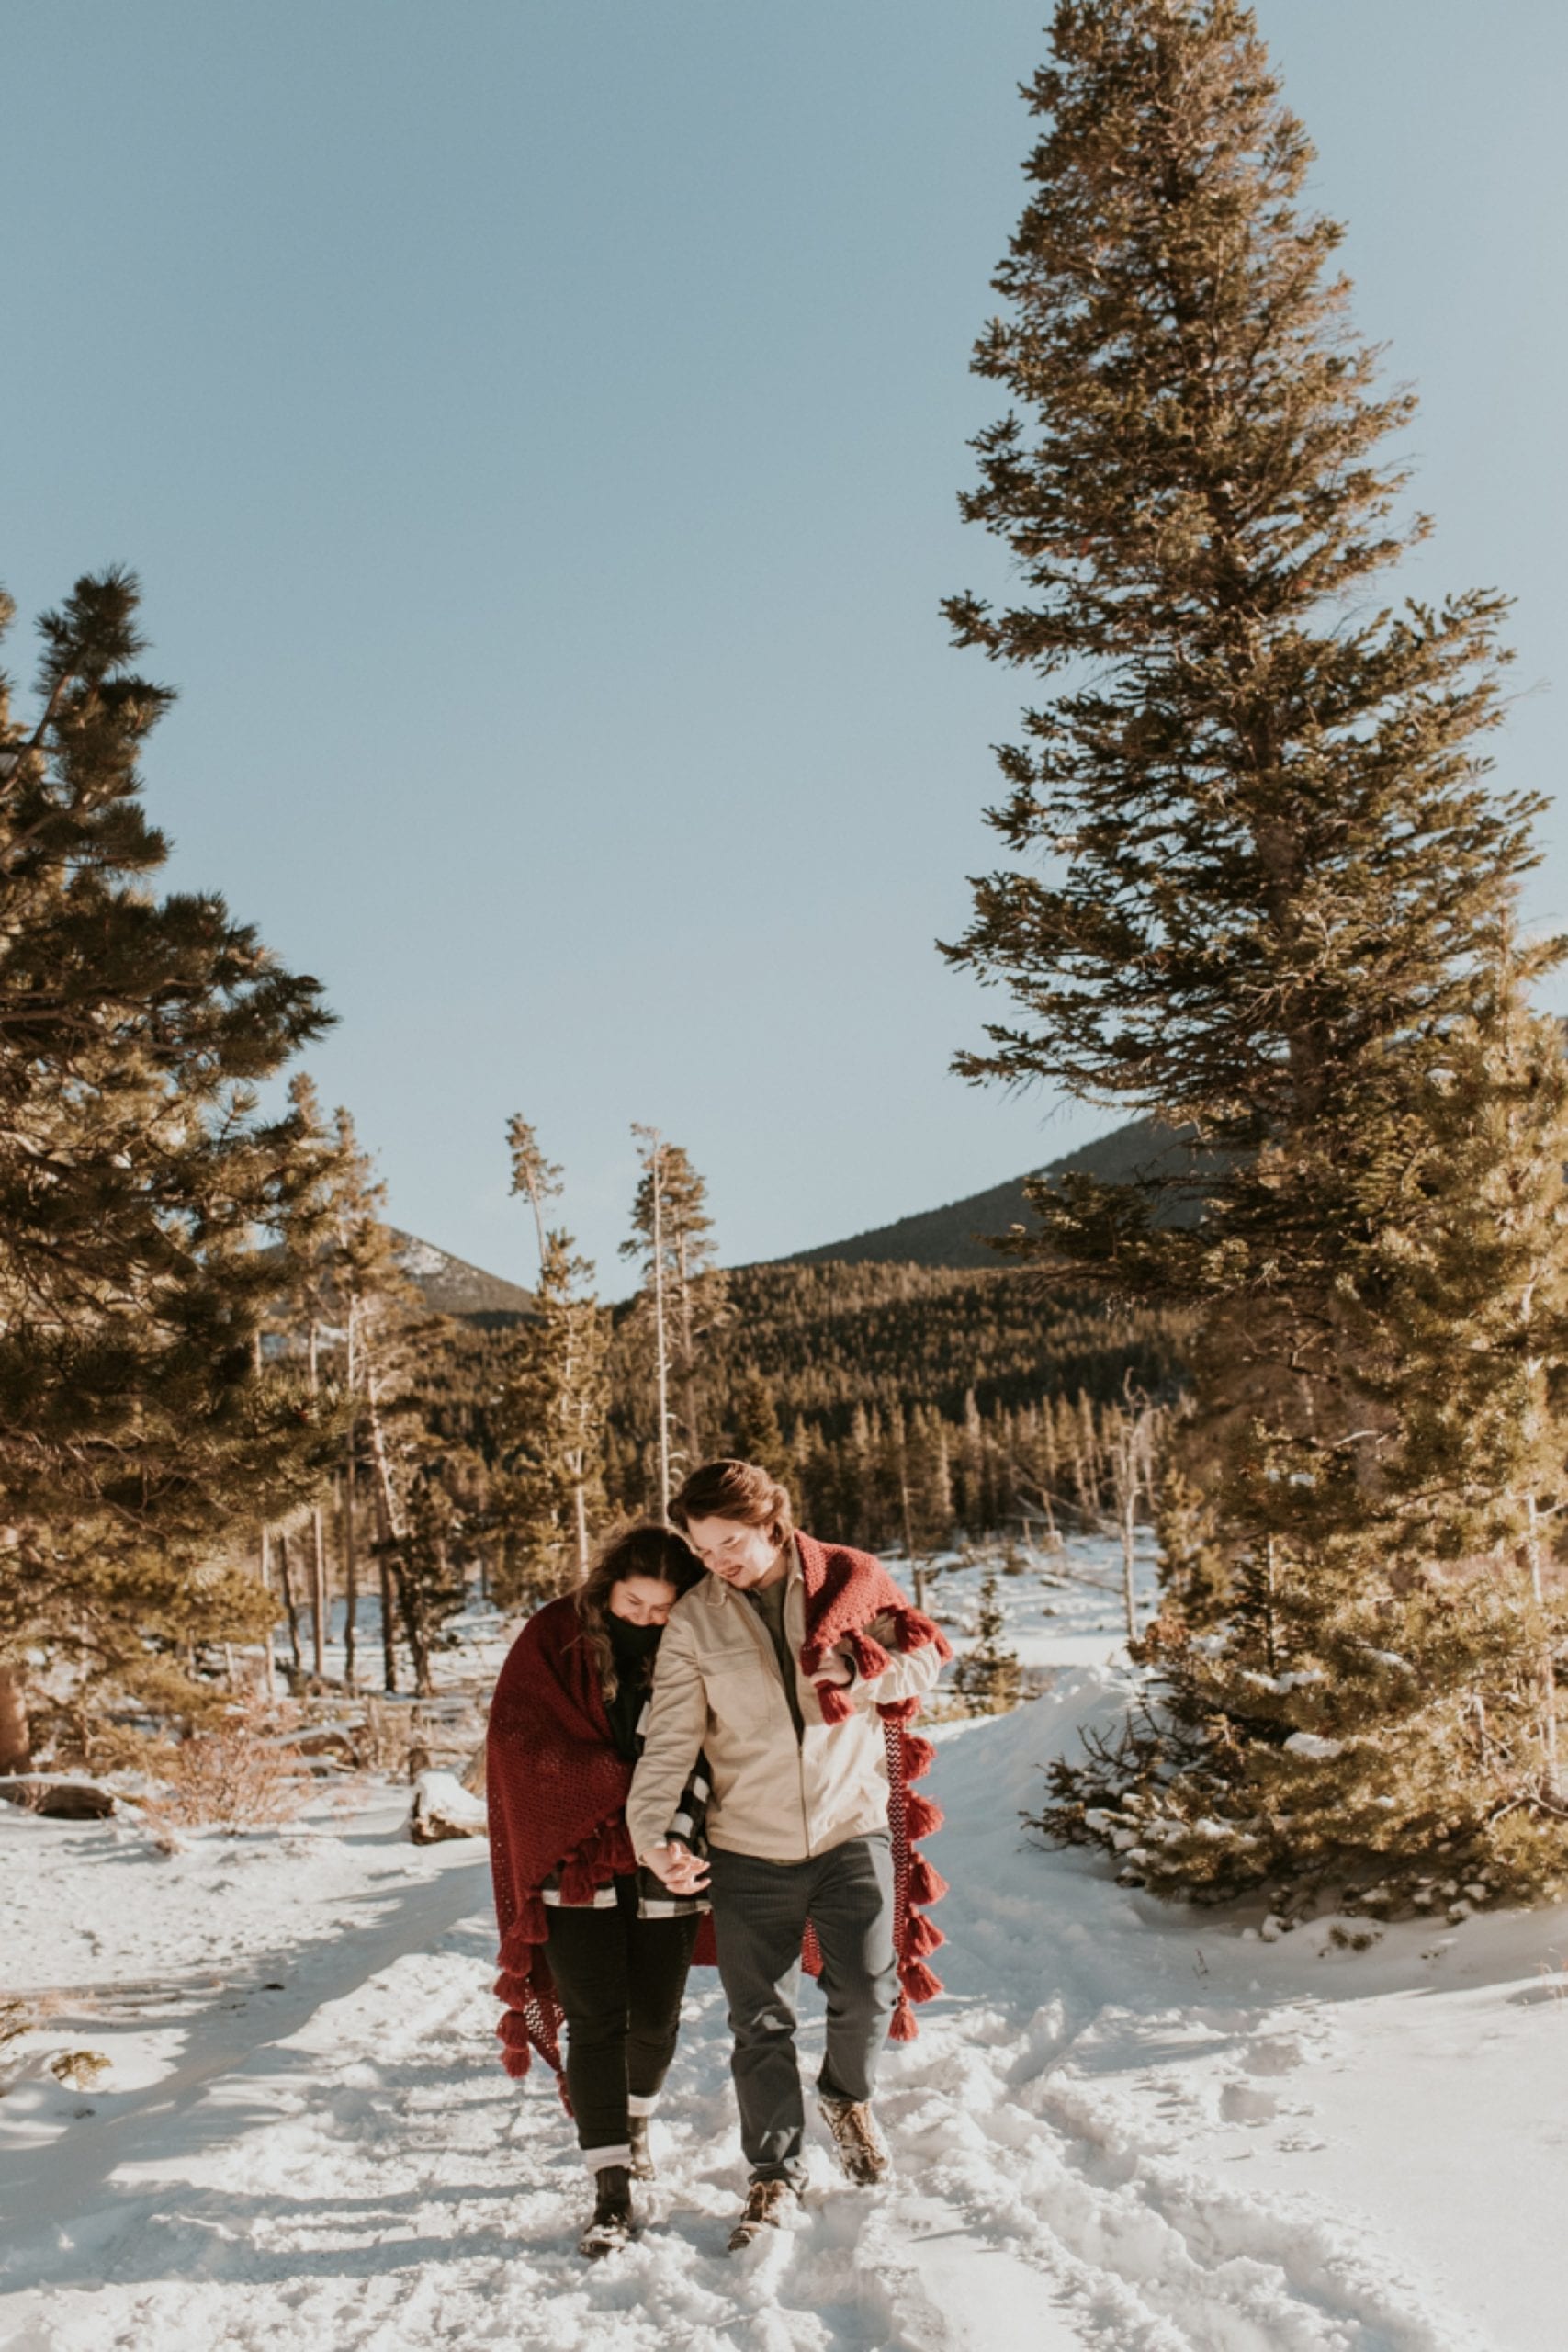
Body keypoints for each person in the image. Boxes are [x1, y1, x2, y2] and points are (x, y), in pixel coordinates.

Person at [626, 1458, 952, 2250]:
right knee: (760, 2020)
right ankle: (772, 2173)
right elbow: (669, 1742)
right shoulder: (695, 1621)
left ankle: (845, 2096)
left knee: (868, 1990)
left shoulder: (850, 1578)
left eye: (729, 1544)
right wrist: (653, 1837)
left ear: (770, 1523)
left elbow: (926, 1656)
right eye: (702, 1550)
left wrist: (861, 1669)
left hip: (851, 1826)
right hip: (747, 1844)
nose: (717, 1562)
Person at [486, 1521, 711, 2258]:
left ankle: (636, 2118)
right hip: (574, 1856)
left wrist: (663, 1809)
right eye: (631, 1604)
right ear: (605, 1586)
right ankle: (609, 2189)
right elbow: (516, 1739)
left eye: (661, 1609)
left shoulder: (701, 1641)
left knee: (655, 2017)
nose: (645, 1619)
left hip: (671, 1847)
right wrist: (618, 1782)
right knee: (595, 2021)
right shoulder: (553, 1635)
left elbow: (724, 1740)